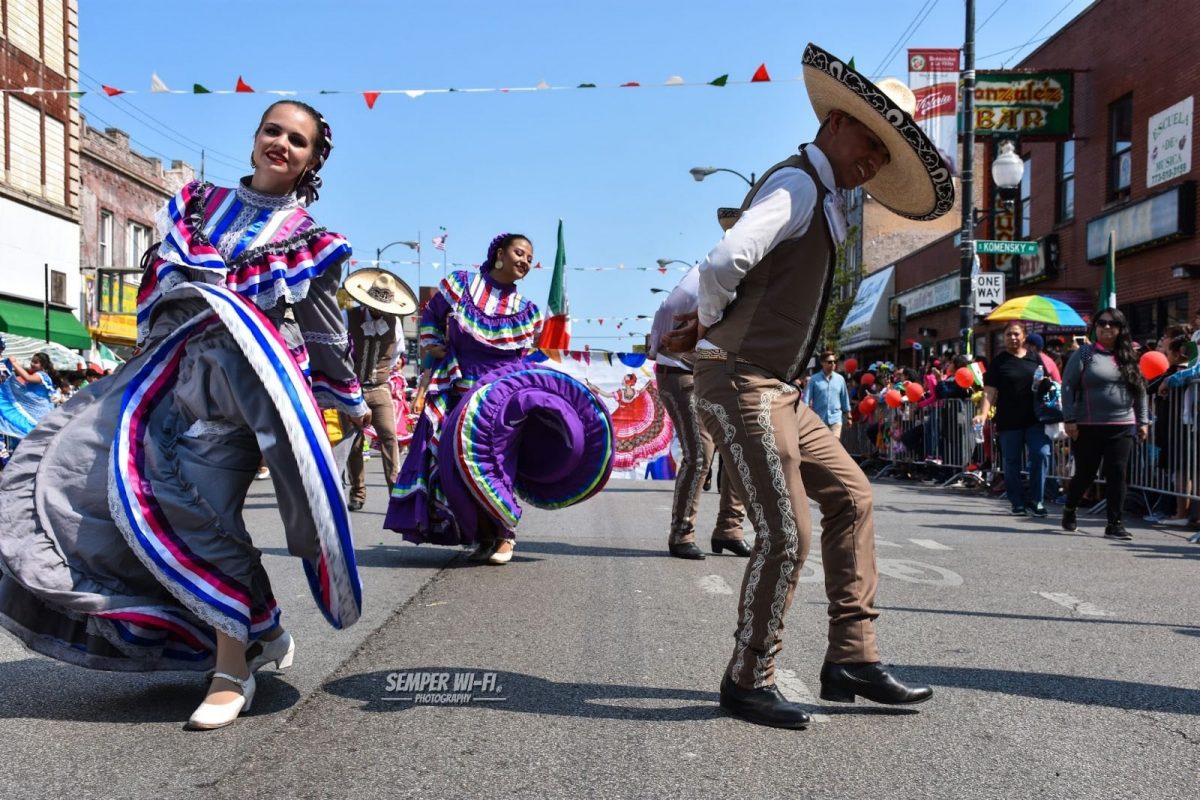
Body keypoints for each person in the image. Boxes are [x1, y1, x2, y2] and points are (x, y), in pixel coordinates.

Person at [0, 100, 368, 730]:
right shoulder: (196, 205)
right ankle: (260, 627)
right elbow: (155, 293)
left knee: (205, 512)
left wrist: (347, 400)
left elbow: (326, 332)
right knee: (78, 478)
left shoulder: (315, 243)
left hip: (241, 392)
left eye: (297, 140)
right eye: (272, 131)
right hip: (164, 376)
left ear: (313, 161)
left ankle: (232, 669)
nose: (281, 143)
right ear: (254, 139)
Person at [679, 44, 952, 729]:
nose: (874, 162)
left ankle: (852, 658)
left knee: (854, 496)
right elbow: (724, 259)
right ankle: (749, 677)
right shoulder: (799, 184)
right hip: (741, 378)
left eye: (886, 156)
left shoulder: (826, 198)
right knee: (787, 533)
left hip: (778, 386)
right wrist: (711, 327)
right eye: (872, 141)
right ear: (837, 121)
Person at [384, 234, 613, 565]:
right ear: (499, 253)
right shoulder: (460, 286)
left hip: (504, 398)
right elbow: (431, 315)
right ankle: (482, 534)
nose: (524, 260)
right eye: (519, 252)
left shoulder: (527, 311)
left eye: (529, 257)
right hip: (459, 389)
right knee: (451, 463)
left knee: (495, 460)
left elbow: (534, 358)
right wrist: (433, 342)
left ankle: (505, 534)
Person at [648, 266, 750, 560]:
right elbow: (675, 318)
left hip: (717, 374)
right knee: (700, 454)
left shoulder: (742, 277)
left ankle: (730, 530)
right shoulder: (717, 273)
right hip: (681, 372)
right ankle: (681, 534)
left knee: (737, 449)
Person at [1060, 308, 1149, 539]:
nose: (1106, 327)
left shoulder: (1128, 355)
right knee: (1086, 474)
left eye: (1112, 324)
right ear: (1095, 327)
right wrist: (1069, 419)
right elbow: (1068, 385)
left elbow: (1140, 391)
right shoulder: (1087, 354)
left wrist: (1143, 421)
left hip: (1122, 424)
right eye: (1102, 323)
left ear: (1120, 329)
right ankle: (1070, 508)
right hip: (1088, 425)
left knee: (1117, 473)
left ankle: (1115, 523)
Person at [341, 269, 416, 511]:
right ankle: (358, 493)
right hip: (352, 388)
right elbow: (337, 350)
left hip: (380, 387)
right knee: (354, 441)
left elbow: (395, 357)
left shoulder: (395, 324)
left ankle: (395, 493)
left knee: (389, 436)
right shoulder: (347, 316)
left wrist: (379, 373)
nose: (379, 310)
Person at [974, 321, 1052, 517]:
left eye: (1016, 334)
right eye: (1008, 334)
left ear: (1024, 336)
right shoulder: (999, 362)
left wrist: (1045, 385)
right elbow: (989, 393)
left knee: (1041, 454)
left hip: (1035, 419)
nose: (1012, 338)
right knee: (1011, 462)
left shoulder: (1036, 359)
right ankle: (1017, 502)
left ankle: (1037, 500)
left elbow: (1047, 384)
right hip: (1009, 421)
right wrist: (982, 415)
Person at [0, 350, 59, 440]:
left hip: (39, 411)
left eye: (35, 362)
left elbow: (27, 377)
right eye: (32, 361)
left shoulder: (42, 375)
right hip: (35, 410)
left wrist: (14, 363)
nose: (32, 364)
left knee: (36, 434)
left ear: (43, 365)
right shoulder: (38, 375)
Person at [802, 350, 853, 439]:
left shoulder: (840, 379)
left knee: (834, 445)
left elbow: (845, 398)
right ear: (822, 363)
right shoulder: (814, 379)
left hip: (836, 419)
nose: (833, 364)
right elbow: (806, 399)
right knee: (822, 448)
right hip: (819, 421)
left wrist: (849, 416)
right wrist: (804, 416)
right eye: (829, 362)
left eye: (834, 362)